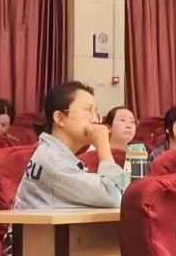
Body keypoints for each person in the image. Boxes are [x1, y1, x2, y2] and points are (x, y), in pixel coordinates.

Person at [13, 81, 130, 209]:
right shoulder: (53, 160)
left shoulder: (53, 153)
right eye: (88, 111)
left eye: (96, 112)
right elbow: (113, 197)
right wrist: (103, 145)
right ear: (59, 118)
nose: (95, 120)